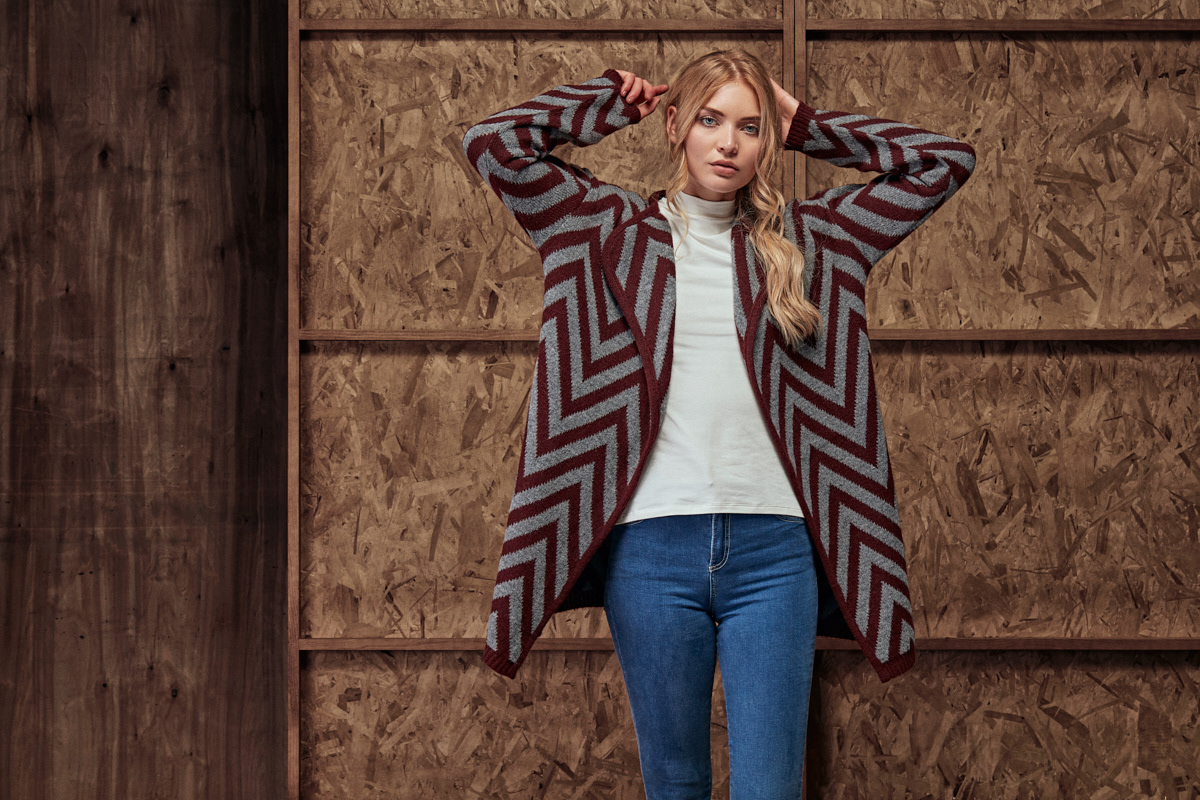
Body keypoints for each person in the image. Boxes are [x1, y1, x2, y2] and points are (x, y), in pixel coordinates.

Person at [463, 48, 975, 800]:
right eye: (710, 120)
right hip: (650, 551)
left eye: (750, 126)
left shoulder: (816, 240)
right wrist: (604, 105)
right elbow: (492, 144)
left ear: (769, 141)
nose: (729, 143)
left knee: (771, 787)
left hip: (775, 552)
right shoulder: (598, 227)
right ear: (675, 125)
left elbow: (945, 163)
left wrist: (811, 127)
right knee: (675, 784)